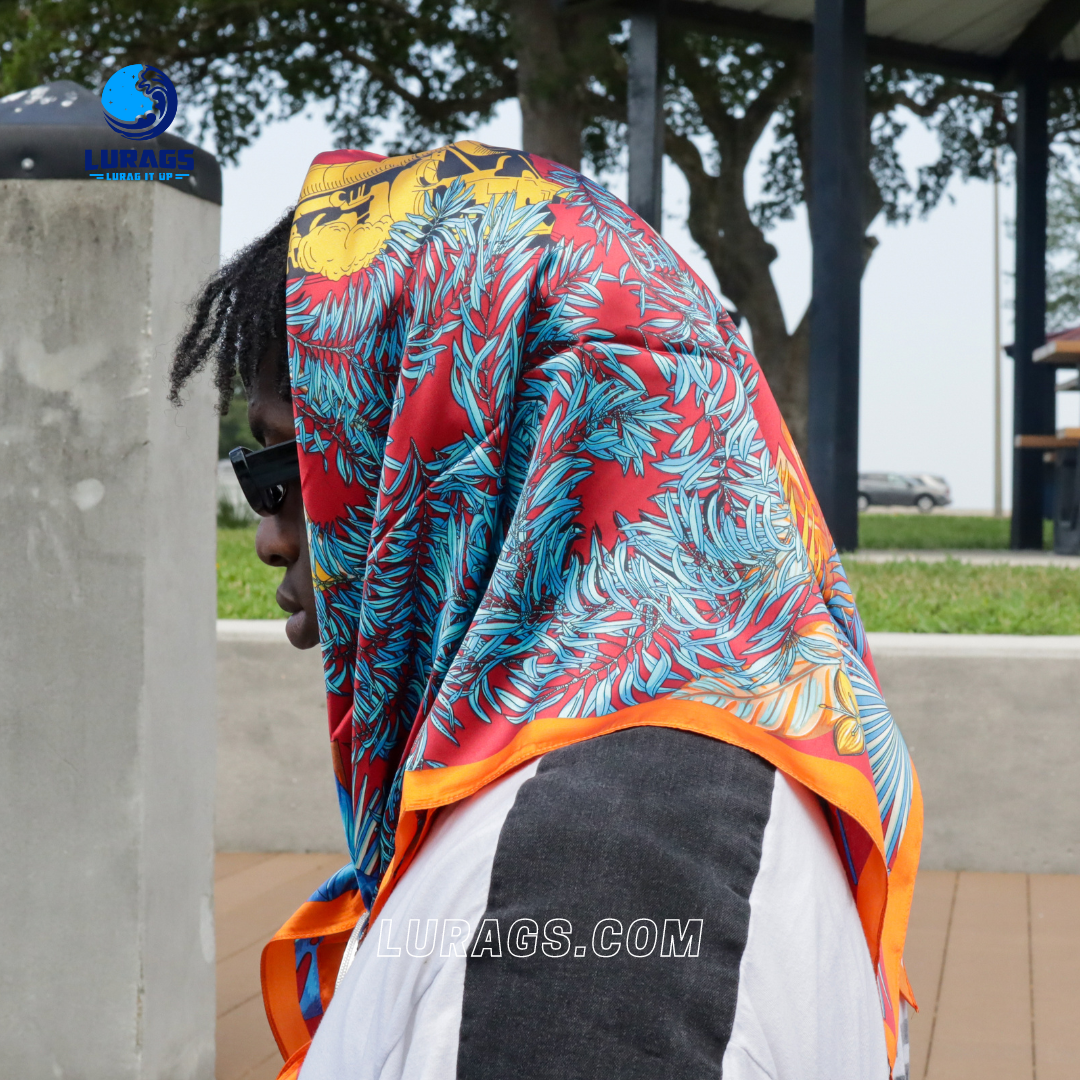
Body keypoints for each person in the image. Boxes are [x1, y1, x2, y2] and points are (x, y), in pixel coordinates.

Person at [171, 141, 920, 1080]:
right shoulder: (658, 772)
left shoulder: (602, 871)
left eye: (293, 466)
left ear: (457, 451)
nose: (274, 538)